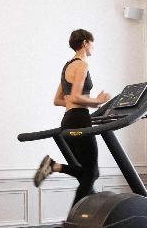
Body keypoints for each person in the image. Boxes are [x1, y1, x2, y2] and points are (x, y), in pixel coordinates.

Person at [33, 29, 111, 206]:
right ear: (85, 43)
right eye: (92, 43)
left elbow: (58, 100)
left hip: (68, 121)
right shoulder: (82, 65)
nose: (93, 47)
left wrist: (81, 103)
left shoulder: (67, 66)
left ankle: (53, 166)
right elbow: (75, 97)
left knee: (89, 172)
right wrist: (97, 101)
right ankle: (72, 218)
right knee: (91, 173)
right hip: (80, 120)